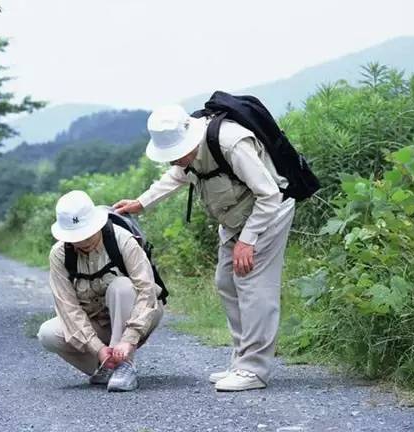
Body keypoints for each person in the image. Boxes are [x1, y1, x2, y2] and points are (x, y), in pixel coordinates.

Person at [114, 105, 295, 391]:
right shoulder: (187, 156)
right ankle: (241, 361)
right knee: (226, 282)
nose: (174, 160)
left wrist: (248, 241)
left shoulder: (231, 144)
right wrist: (141, 202)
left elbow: (269, 194)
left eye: (176, 152)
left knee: (253, 287)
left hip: (267, 215)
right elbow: (176, 176)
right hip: (234, 218)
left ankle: (254, 370)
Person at [37, 190, 163, 392]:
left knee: (121, 286)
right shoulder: (59, 254)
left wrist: (129, 339)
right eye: (76, 237)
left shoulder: (122, 240)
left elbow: (146, 291)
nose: (82, 241)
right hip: (96, 323)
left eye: (86, 234)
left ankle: (124, 363)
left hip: (138, 314)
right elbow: (68, 308)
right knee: (48, 333)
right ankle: (106, 367)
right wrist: (98, 349)